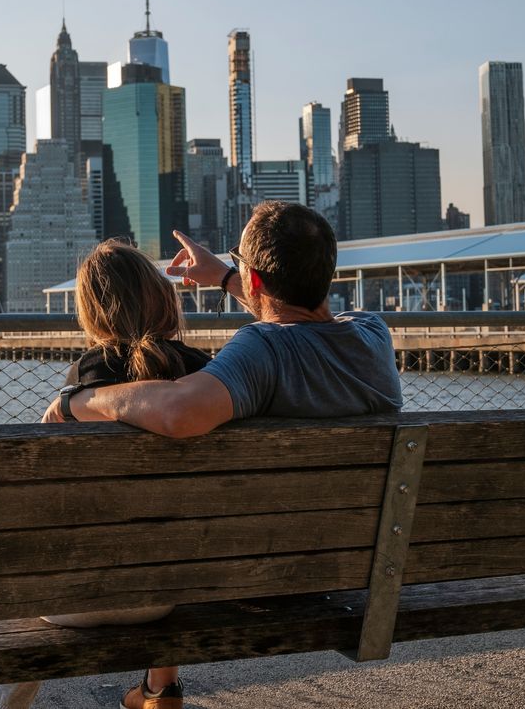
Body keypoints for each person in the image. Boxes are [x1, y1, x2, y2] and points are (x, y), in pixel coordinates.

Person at [42, 201, 404, 709]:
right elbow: (298, 321)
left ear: (254, 280)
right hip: (350, 568)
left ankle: (157, 686)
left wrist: (75, 401)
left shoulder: (259, 352)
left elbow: (179, 412)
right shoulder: (373, 335)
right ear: (327, 271)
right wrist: (231, 278)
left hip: (257, 579)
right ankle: (158, 684)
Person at [0, 239, 211, 709]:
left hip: (72, 600)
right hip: (166, 595)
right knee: (167, 525)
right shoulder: (207, 381)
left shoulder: (81, 384)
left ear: (92, 314)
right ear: (163, 298)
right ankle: (161, 687)